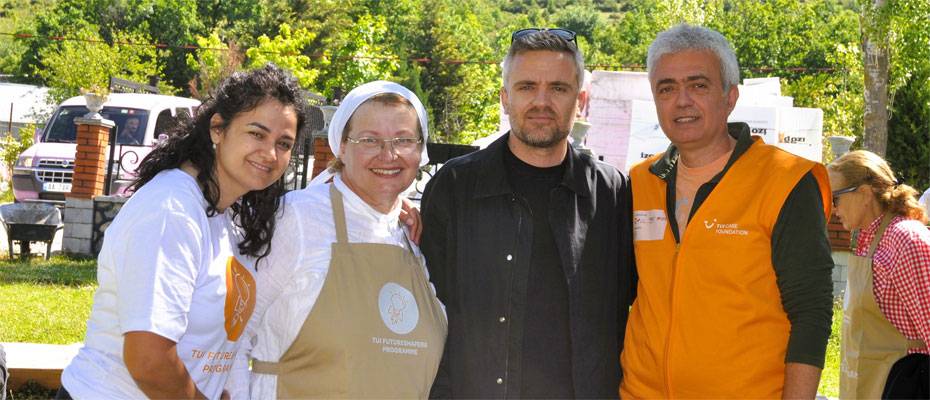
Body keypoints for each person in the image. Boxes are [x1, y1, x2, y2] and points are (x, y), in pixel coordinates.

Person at [59, 64, 308, 399]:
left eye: (284, 143)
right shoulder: (172, 209)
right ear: (217, 129)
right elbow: (148, 359)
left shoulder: (226, 213)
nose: (270, 153)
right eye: (256, 133)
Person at [620, 24, 834, 398]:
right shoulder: (638, 183)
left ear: (730, 97)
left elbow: (811, 314)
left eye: (698, 85)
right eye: (666, 88)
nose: (682, 100)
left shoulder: (785, 181)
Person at [420, 28, 635, 398]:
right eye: (526, 87)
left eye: (558, 88)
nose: (541, 101)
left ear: (580, 100)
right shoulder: (454, 187)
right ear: (505, 98)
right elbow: (428, 310)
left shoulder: (612, 193)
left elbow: (630, 308)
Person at [234, 81, 446, 399]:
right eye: (369, 140)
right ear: (342, 147)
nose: (389, 154)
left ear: (421, 149)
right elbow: (231, 336)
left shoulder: (410, 236)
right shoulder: (296, 219)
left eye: (403, 139)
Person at [828, 150, 929, 399]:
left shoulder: (906, 239)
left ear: (864, 193)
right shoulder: (866, 239)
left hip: (906, 387)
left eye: (835, 198)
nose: (832, 209)